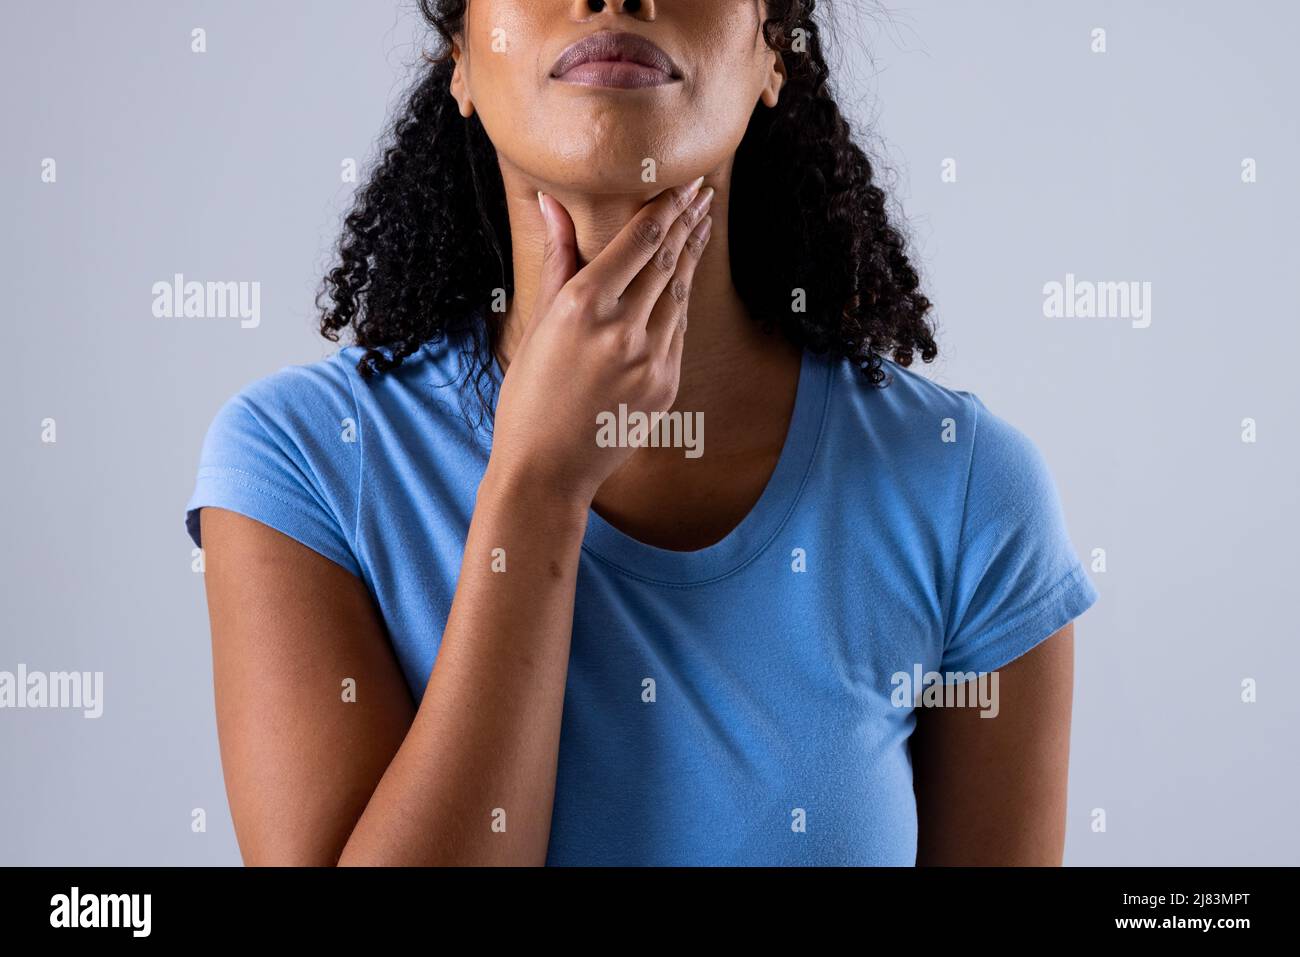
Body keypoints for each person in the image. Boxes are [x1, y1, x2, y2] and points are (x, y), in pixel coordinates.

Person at [186, 0, 1098, 865]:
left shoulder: (967, 489)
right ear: (460, 56)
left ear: (773, 51)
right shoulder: (300, 462)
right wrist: (538, 485)